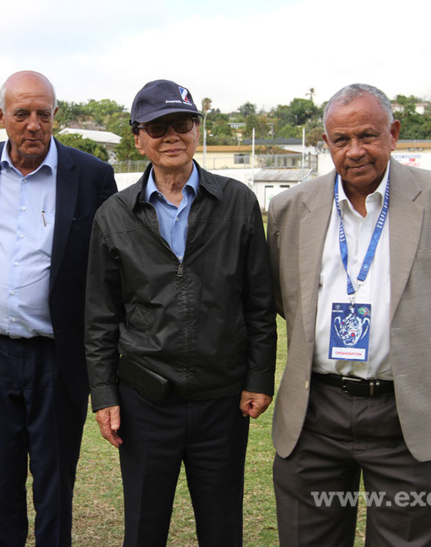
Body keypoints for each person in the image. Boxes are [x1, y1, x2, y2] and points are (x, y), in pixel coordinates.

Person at [267, 83, 431, 545]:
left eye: (368, 136)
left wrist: (417, 346)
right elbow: (282, 297)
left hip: (409, 412)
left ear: (393, 133)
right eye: (341, 140)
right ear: (325, 142)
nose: (355, 151)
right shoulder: (290, 208)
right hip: (315, 412)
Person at [85, 79, 277, 546]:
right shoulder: (113, 214)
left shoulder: (237, 202)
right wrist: (105, 393)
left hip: (222, 400)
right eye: (157, 126)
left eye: (183, 123)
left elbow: (259, 302)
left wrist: (258, 378)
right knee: (144, 529)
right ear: (138, 138)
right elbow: (100, 316)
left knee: (222, 526)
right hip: (146, 400)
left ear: (197, 130)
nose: (172, 136)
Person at [0, 70, 116, 545]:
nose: (33, 125)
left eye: (43, 114)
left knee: (55, 481)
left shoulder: (91, 175)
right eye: (21, 113)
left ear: (55, 117)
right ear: (0, 116)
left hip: (58, 358)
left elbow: (108, 271)